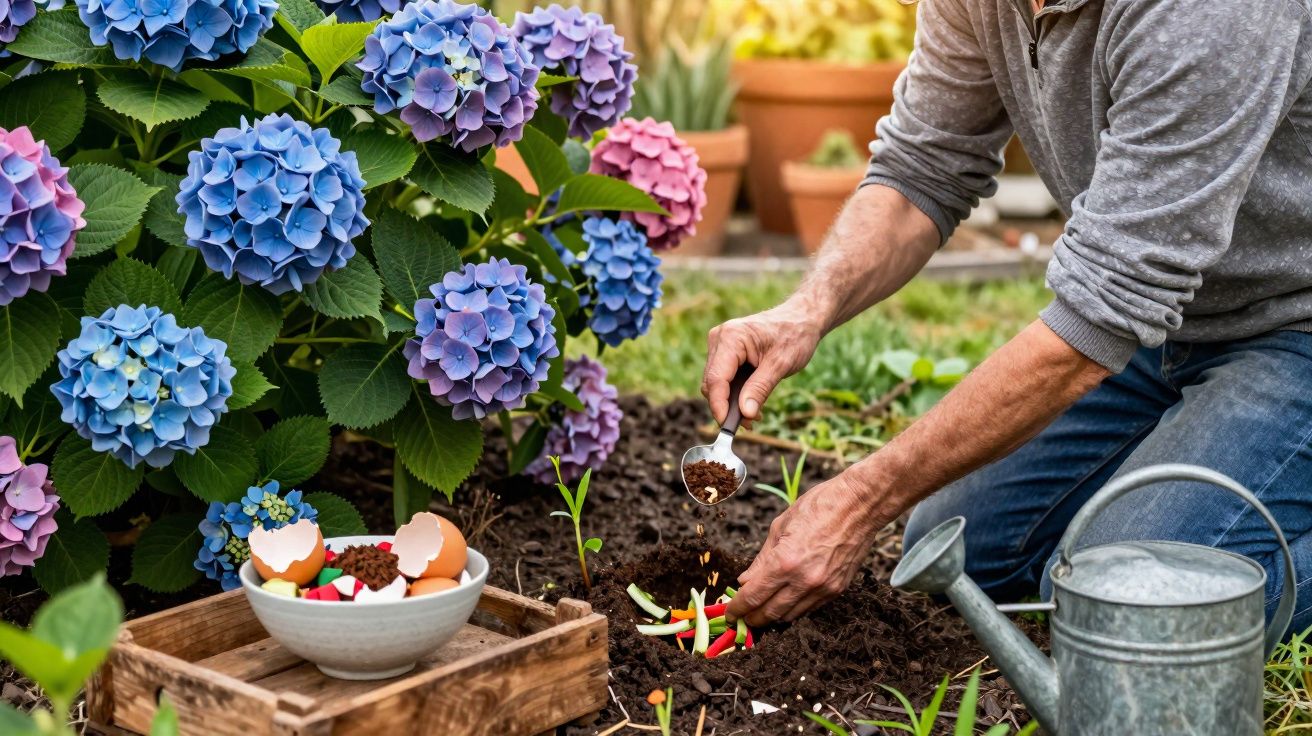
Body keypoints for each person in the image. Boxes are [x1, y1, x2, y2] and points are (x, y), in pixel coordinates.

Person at [711, 0, 1312, 635]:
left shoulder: (1212, 13)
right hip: (1167, 319)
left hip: (1295, 322)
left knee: (1115, 609)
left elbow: (1095, 321)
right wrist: (807, 310)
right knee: (965, 555)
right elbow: (923, 167)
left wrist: (859, 501)